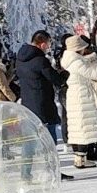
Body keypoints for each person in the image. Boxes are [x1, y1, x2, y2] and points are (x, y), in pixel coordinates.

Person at [16, 29, 73, 180]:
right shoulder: (40, 60)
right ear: (42, 44)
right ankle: (53, 171)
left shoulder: (20, 60)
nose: (49, 47)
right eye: (48, 44)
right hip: (43, 104)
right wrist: (64, 74)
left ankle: (25, 173)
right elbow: (55, 79)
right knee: (50, 140)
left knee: (29, 142)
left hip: (28, 104)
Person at [60, 35, 97, 168]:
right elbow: (94, 74)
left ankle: (79, 157)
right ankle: (81, 159)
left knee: (77, 127)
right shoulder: (77, 63)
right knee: (83, 127)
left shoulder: (70, 60)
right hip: (81, 95)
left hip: (74, 95)